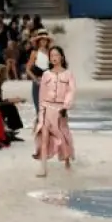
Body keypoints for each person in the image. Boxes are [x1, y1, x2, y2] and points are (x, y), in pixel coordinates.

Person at [34, 46, 76, 177]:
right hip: (47, 108)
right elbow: (41, 95)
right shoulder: (46, 74)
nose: (54, 57)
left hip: (60, 109)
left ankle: (67, 161)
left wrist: (66, 106)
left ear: (61, 57)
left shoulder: (68, 74)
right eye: (51, 55)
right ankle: (43, 167)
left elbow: (71, 91)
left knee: (63, 136)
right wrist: (40, 113)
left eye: (56, 55)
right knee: (44, 137)